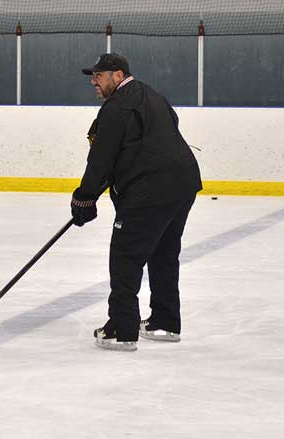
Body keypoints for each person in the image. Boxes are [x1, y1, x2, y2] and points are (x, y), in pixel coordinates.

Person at [71, 53, 202, 351]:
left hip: (150, 191)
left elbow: (101, 158)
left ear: (118, 75)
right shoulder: (152, 95)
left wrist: (84, 197)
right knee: (163, 253)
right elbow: (165, 129)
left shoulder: (115, 107)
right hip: (183, 184)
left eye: (99, 76)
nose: (93, 81)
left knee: (125, 257)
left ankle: (121, 328)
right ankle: (165, 322)